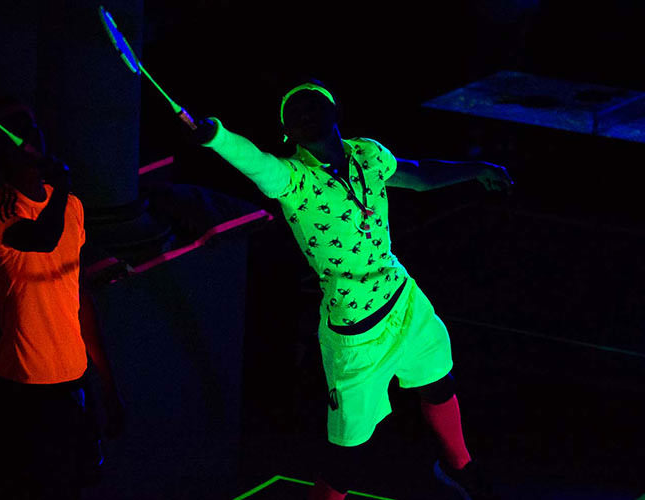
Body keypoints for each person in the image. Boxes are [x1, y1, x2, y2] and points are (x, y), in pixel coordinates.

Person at [193, 81, 512, 500]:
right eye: (295, 112)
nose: (305, 112)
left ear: (334, 108)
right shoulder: (294, 181)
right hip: (357, 335)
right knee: (347, 456)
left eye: (312, 103)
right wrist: (219, 138)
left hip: (404, 301)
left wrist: (478, 168)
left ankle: (460, 468)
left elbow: (417, 175)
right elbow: (255, 163)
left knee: (438, 383)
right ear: (287, 132)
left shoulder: (368, 153)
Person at [0, 100, 124, 499]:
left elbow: (78, 299)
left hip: (73, 380)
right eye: (18, 134)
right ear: (4, 154)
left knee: (75, 486)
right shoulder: (2, 213)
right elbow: (42, 240)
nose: (31, 139)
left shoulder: (72, 207)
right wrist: (60, 186)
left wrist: (109, 389)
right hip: (26, 384)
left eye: (35, 130)